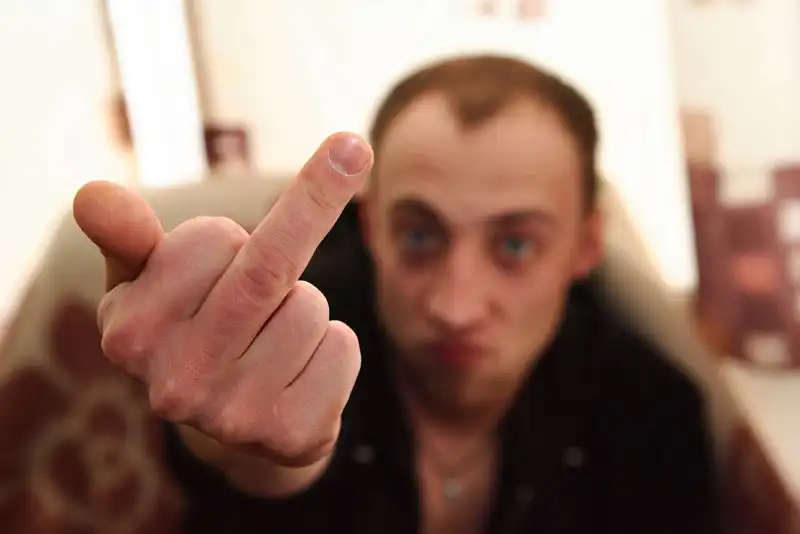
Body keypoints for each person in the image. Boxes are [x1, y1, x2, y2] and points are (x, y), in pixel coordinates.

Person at [73, 55, 720, 534]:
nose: (455, 307)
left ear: (586, 245)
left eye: (517, 246)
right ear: (370, 226)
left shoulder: (651, 414)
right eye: (418, 236)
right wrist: (248, 448)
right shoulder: (292, 321)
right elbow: (241, 445)